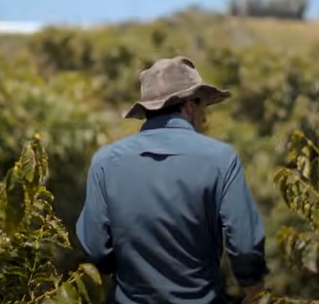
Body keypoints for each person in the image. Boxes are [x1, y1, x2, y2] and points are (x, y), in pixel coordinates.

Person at [76, 56, 269, 304]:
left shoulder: (105, 161)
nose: (204, 118)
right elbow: (244, 246)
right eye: (202, 107)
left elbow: (95, 248)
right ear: (189, 104)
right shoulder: (221, 158)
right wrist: (253, 286)